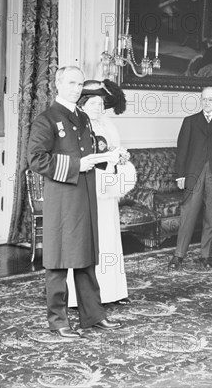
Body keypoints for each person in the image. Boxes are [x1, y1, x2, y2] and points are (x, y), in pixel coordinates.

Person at [27, 66, 122, 339]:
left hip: (85, 194)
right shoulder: (47, 118)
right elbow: (36, 159)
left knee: (86, 258)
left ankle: (93, 315)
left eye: (80, 84)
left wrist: (110, 158)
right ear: (58, 83)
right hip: (62, 198)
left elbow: (91, 153)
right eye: (71, 83)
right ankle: (58, 321)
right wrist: (76, 165)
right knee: (58, 262)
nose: (76, 88)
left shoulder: (82, 116)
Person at [66, 79, 136, 307]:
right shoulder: (76, 126)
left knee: (109, 239)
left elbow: (114, 149)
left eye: (100, 103)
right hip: (86, 188)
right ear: (83, 104)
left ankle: (113, 292)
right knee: (88, 242)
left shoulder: (108, 126)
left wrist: (121, 157)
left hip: (107, 187)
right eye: (93, 103)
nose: (98, 107)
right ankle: (81, 297)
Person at [169, 86, 212, 269]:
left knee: (210, 216)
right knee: (188, 215)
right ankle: (178, 256)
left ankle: (206, 256)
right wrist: (180, 175)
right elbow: (182, 150)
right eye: (204, 99)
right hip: (194, 173)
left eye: (211, 99)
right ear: (201, 100)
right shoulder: (190, 121)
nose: (207, 102)